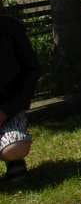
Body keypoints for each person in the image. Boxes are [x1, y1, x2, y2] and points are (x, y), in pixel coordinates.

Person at [0, 15, 40, 180]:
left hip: (8, 111)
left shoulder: (12, 27)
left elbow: (31, 71)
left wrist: (5, 111)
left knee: (15, 147)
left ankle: (14, 161)